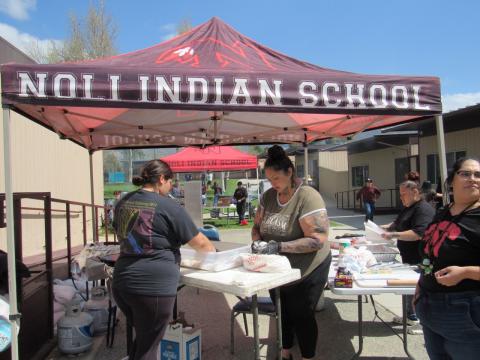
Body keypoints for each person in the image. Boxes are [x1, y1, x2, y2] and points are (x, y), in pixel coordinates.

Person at [112, 160, 216, 360]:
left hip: (122, 283)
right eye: (171, 182)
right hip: (152, 289)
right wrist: (215, 253)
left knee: (143, 340)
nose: (172, 187)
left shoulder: (123, 201)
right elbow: (202, 244)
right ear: (161, 179)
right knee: (148, 348)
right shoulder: (168, 205)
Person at [250, 145, 331, 360]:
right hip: (278, 268)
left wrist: (278, 247)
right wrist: (258, 243)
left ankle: (307, 356)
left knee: (302, 314)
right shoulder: (268, 197)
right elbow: (256, 227)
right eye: (269, 179)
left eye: (276, 178)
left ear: (290, 172)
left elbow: (317, 240)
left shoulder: (307, 197)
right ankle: (285, 352)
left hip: (309, 267)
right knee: (282, 310)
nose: (273, 183)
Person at [414, 157, 480, 360]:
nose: (473, 179)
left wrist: (466, 272)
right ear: (451, 180)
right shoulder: (443, 212)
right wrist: (419, 288)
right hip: (428, 304)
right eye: (465, 173)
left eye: (478, 175)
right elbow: (429, 253)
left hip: (463, 309)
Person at [381, 180, 435, 331]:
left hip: (420, 259)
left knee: (416, 291)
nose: (401, 197)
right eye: (400, 194)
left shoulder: (423, 209)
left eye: (404, 194)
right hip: (408, 258)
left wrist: (393, 235)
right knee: (408, 290)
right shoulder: (409, 208)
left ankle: (420, 322)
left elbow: (419, 233)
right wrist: (380, 229)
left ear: (415, 192)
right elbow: (397, 223)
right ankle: (410, 317)